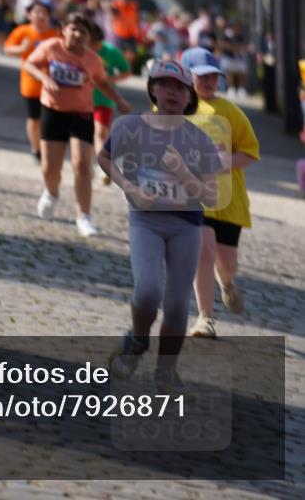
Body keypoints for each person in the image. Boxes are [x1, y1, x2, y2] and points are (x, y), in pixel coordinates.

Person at [98, 61, 223, 387]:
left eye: (180, 87)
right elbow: (105, 158)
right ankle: (137, 342)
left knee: (178, 304)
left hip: (186, 225)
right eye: (165, 85)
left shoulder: (200, 141)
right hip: (146, 221)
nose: (172, 92)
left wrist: (182, 172)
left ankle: (166, 369)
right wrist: (130, 188)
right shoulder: (131, 127)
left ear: (189, 97)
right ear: (152, 89)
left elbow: (210, 197)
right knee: (149, 289)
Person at [25, 13, 131, 238]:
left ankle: (84, 215)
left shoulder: (92, 59)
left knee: (82, 164)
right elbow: (30, 64)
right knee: (49, 167)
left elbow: (102, 82)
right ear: (63, 30)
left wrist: (120, 100)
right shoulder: (51, 47)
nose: (78, 35)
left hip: (81, 114)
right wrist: (44, 79)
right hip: (53, 111)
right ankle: (51, 193)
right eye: (73, 29)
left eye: (83, 32)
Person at [183, 49, 260, 339]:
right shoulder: (175, 109)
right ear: (188, 75)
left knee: (226, 263)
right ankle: (205, 317)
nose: (209, 81)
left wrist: (220, 163)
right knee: (203, 251)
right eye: (202, 75)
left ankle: (227, 284)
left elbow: (250, 152)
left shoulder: (230, 112)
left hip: (227, 200)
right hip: (192, 198)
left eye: (214, 76)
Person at [4, 0, 58, 163]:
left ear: (49, 15)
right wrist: (21, 49)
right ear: (29, 14)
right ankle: (36, 149)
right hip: (31, 83)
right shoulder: (23, 31)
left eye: (44, 12)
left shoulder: (55, 34)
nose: (40, 15)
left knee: (49, 119)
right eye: (36, 12)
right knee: (34, 118)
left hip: (52, 84)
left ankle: (47, 147)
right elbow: (7, 48)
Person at [86, 20, 131, 183]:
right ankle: (88, 164)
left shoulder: (111, 51)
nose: (93, 48)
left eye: (96, 44)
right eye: (90, 44)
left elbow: (127, 71)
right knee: (85, 133)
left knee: (100, 132)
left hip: (105, 99)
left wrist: (110, 79)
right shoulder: (81, 51)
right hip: (83, 99)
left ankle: (101, 167)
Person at [110, 0, 141, 69]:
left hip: (131, 33)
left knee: (132, 53)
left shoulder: (133, 6)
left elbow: (136, 18)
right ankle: (120, 67)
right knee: (119, 52)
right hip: (119, 33)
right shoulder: (116, 5)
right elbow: (112, 12)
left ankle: (127, 67)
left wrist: (138, 29)